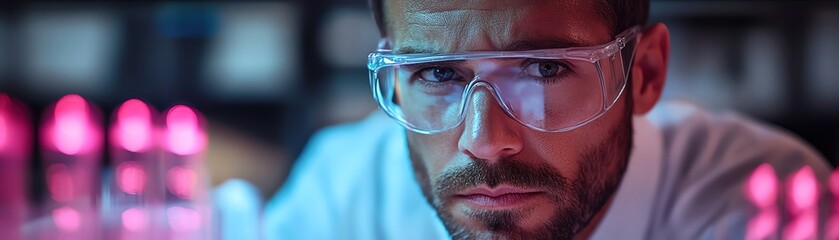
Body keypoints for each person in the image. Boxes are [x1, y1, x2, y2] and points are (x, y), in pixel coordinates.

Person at [263, 0, 834, 239]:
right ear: (392, 80)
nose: (484, 143)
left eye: (543, 70)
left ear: (645, 74)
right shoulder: (345, 196)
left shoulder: (758, 200)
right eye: (436, 74)